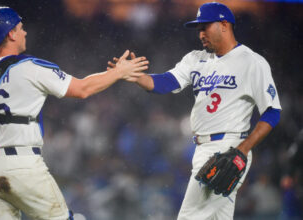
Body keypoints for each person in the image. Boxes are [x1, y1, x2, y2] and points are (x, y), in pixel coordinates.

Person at [0, 6, 148, 220]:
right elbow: (82, 89)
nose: (24, 32)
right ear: (10, 34)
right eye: (20, 28)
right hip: (22, 166)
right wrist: (118, 72)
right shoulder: (31, 68)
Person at [109, 2, 281, 219]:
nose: (200, 34)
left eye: (205, 27)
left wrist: (242, 150)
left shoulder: (252, 62)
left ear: (224, 25)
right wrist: (134, 75)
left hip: (228, 149)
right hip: (202, 149)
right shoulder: (196, 59)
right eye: (198, 29)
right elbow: (165, 83)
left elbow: (272, 112)